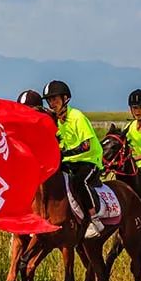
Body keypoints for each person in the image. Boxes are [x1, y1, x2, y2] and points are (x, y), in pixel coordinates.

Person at [42, 80, 106, 239]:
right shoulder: (56, 121)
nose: (52, 103)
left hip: (89, 160)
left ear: (65, 99)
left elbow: (86, 145)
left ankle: (94, 219)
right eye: (49, 100)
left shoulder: (77, 116)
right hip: (70, 161)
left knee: (79, 181)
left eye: (55, 99)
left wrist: (64, 154)